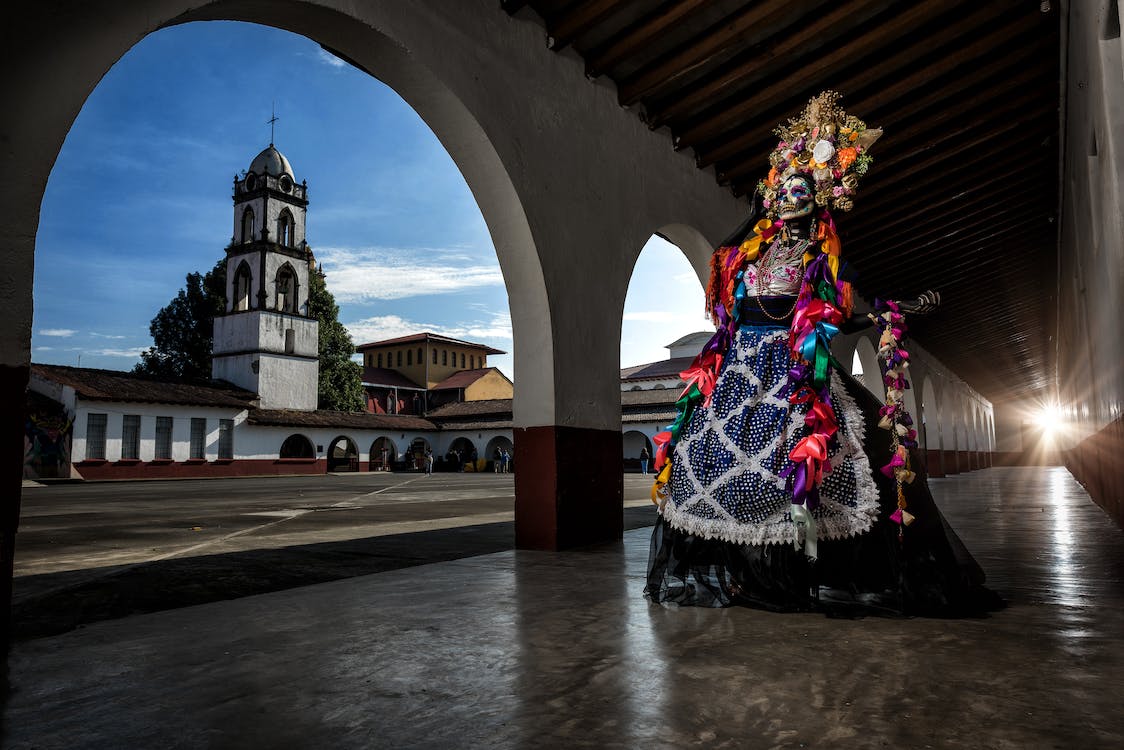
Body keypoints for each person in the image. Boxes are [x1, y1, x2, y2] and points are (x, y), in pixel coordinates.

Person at [645, 92, 998, 617]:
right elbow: (724, 284)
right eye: (782, 189)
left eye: (800, 189)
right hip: (739, 374)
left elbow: (842, 315)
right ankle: (746, 574)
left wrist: (889, 311)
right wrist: (752, 217)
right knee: (710, 464)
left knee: (833, 459)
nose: (788, 197)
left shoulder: (822, 260)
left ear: (818, 200)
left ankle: (811, 571)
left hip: (794, 371)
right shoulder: (748, 255)